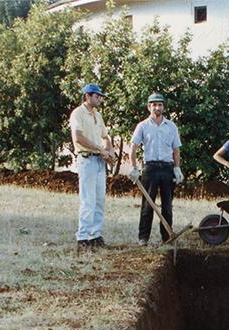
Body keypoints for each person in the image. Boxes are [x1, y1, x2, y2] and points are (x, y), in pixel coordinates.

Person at [128, 93, 183, 246]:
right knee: (147, 205)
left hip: (167, 168)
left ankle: (167, 237)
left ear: (163, 107)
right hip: (150, 168)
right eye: (154, 105)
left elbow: (176, 150)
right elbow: (133, 148)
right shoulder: (142, 126)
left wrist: (177, 168)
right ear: (149, 107)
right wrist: (134, 168)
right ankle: (143, 238)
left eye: (160, 104)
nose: (157, 107)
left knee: (167, 206)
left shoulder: (171, 126)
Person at [70, 83, 115, 250]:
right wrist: (99, 149)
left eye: (100, 96)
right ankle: (83, 237)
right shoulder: (78, 114)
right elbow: (78, 137)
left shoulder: (97, 115)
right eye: (97, 96)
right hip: (87, 159)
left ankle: (95, 235)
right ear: (87, 96)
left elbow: (105, 137)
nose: (100, 99)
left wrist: (109, 151)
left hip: (99, 161)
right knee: (88, 200)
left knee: (99, 200)